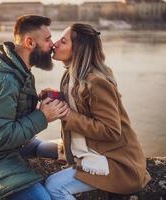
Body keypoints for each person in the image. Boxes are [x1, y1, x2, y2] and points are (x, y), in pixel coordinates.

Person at [0, 15, 68, 200]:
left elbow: (9, 113)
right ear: (30, 42)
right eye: (47, 39)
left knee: (48, 149)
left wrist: (40, 104)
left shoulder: (18, 68)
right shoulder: (3, 80)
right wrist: (42, 116)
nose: (52, 44)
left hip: (9, 146)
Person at [44, 23, 151, 200]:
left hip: (117, 163)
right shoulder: (70, 75)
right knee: (40, 146)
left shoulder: (96, 83)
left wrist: (69, 115)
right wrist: (57, 97)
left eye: (63, 41)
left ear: (77, 50)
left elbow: (111, 130)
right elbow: (80, 106)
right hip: (92, 151)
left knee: (54, 186)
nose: (55, 44)